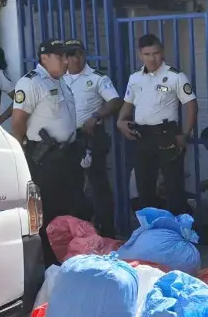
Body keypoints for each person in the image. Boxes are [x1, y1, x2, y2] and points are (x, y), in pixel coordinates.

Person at [10, 39, 83, 261]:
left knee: (70, 205)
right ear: (44, 58)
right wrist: (20, 154)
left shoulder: (62, 82)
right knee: (48, 210)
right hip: (45, 158)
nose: (66, 61)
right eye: (60, 56)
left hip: (67, 156)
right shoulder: (31, 83)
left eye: (67, 56)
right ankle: (49, 260)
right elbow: (18, 122)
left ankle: (66, 254)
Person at [118, 33, 197, 216]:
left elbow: (191, 105)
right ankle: (152, 235)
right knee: (144, 188)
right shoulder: (135, 78)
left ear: (162, 53)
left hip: (166, 134)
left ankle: (181, 235)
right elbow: (128, 103)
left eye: (155, 53)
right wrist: (121, 121)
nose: (152, 58)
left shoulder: (175, 76)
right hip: (142, 135)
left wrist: (185, 134)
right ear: (140, 55)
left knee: (173, 187)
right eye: (147, 54)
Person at [61, 39, 123, 237]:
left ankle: (106, 231)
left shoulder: (96, 78)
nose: (75, 59)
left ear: (85, 55)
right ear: (65, 58)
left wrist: (96, 116)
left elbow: (114, 101)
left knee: (98, 185)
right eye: (71, 55)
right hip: (67, 139)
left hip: (91, 137)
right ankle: (80, 230)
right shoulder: (59, 79)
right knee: (72, 186)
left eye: (79, 53)